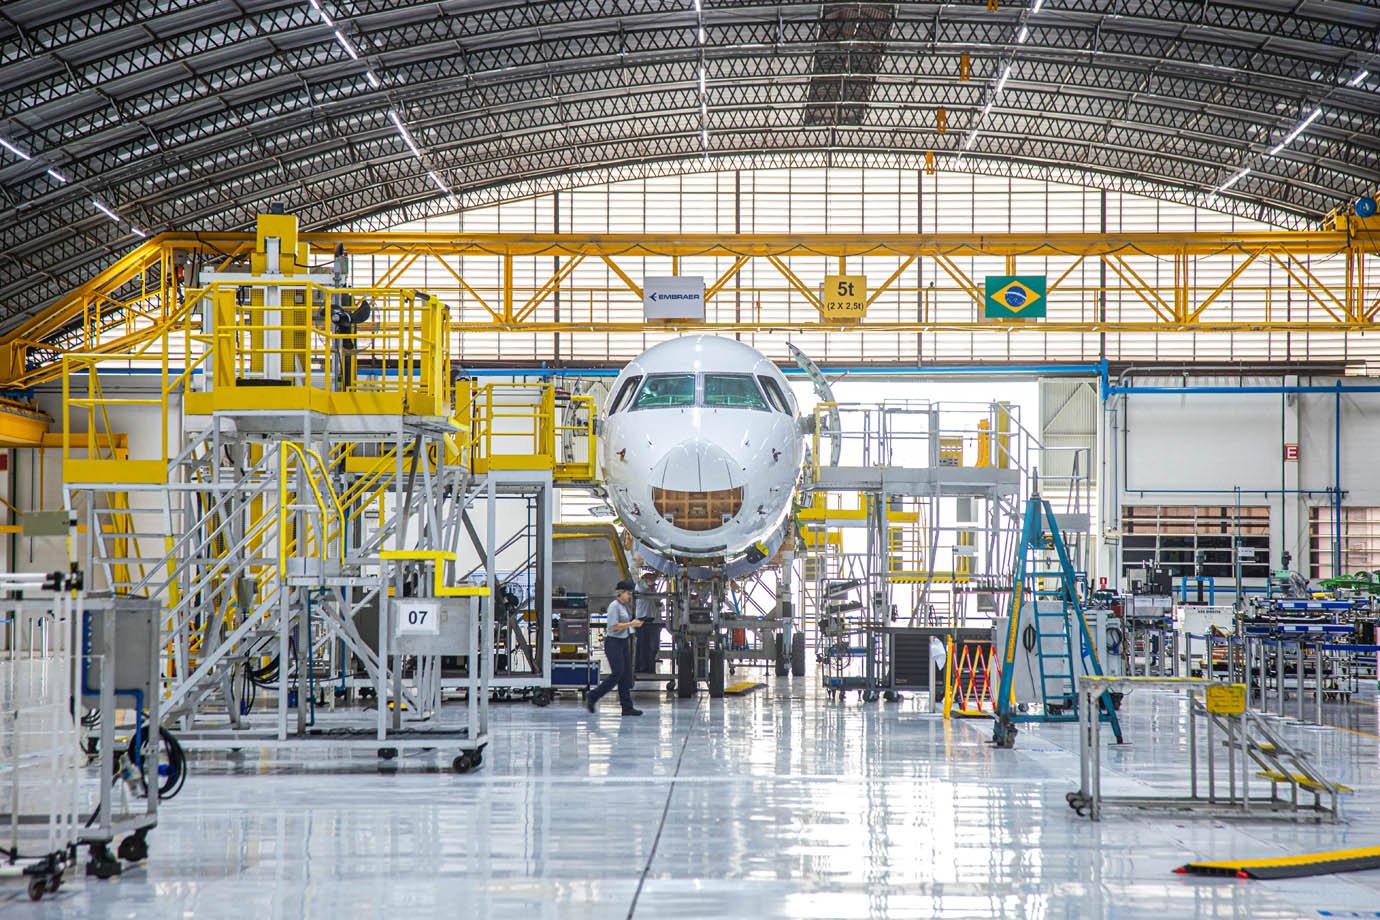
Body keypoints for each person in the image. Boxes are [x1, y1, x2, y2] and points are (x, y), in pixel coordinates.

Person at [585, 579, 644, 716]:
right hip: (613, 643)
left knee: (625, 676)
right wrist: (631, 624)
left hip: (623, 642)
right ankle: (593, 696)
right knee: (617, 673)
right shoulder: (614, 606)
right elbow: (612, 626)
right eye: (628, 593)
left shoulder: (624, 607)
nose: (630, 596)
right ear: (621, 593)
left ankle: (627, 707)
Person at [633, 571, 663, 674]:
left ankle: (650, 668)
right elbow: (647, 587)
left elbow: (658, 603)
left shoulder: (651, 589)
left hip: (651, 620)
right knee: (642, 645)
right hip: (642, 619)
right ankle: (641, 668)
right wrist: (656, 574)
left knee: (652, 646)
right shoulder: (640, 585)